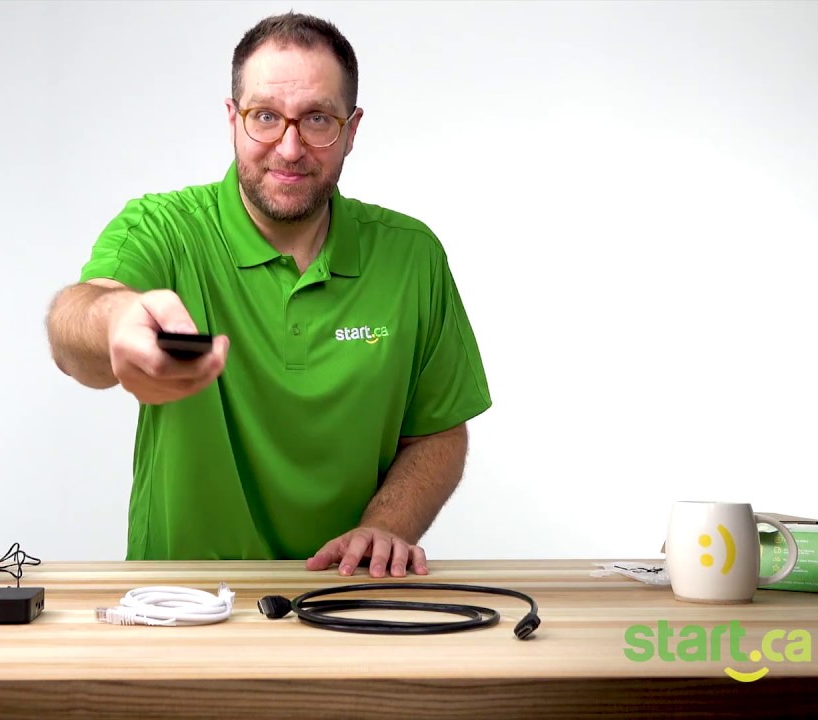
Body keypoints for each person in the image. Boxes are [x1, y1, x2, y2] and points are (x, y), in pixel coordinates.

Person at [46, 12, 490, 578]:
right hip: (180, 600)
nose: (289, 147)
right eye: (264, 117)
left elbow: (439, 430)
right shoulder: (160, 228)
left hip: (346, 594)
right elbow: (74, 326)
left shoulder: (412, 255)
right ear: (232, 119)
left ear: (351, 130)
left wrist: (385, 527)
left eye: (317, 120)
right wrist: (116, 320)